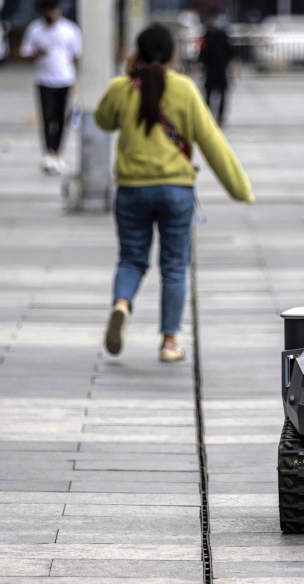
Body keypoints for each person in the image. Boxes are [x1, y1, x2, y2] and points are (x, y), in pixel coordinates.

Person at [95, 24, 254, 363]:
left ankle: (121, 304)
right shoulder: (184, 89)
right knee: (174, 266)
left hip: (132, 189)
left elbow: (103, 120)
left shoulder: (122, 88)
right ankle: (169, 342)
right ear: (171, 54)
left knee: (131, 259)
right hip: (176, 191)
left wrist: (127, 76)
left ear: (137, 52)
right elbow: (211, 140)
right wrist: (240, 189)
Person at [19, 0, 82, 175]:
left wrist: (75, 81)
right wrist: (37, 54)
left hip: (64, 80)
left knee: (61, 118)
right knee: (47, 117)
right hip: (44, 80)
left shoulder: (69, 30)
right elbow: (25, 53)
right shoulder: (35, 29)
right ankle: (48, 153)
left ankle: (57, 153)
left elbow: (76, 56)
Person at [199, 11, 235, 126]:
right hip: (210, 70)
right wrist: (200, 64)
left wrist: (234, 65)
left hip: (221, 70)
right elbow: (202, 53)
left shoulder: (224, 35)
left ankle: (220, 116)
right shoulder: (207, 36)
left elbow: (231, 52)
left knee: (222, 93)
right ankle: (207, 115)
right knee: (208, 94)